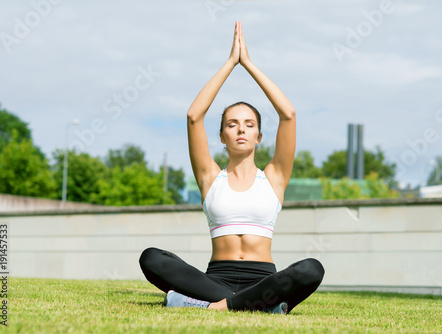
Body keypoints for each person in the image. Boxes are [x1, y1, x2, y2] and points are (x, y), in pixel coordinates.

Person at [139, 21, 325, 314]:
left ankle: (209, 306)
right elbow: (193, 116)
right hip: (214, 278)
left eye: (249, 125)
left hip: (265, 278)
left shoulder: (274, 178)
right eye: (232, 124)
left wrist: (248, 64)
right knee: (151, 258)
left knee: (312, 269)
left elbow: (288, 114)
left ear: (259, 137)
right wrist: (230, 63)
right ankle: (257, 306)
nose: (241, 130)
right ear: (223, 136)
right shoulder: (210, 177)